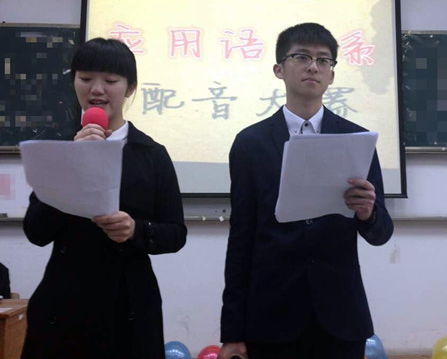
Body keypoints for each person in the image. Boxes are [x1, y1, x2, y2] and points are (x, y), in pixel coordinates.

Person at [218, 23, 393, 359]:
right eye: (302, 57)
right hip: (271, 315)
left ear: (331, 76)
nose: (313, 66)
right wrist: (232, 331)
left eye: (323, 60)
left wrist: (368, 213)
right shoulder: (250, 143)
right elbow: (241, 239)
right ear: (279, 69)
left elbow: (381, 233)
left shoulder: (357, 140)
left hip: (341, 316)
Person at [22, 38, 187, 359]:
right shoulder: (58, 150)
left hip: (129, 306)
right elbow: (36, 231)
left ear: (130, 87)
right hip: (63, 307)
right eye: (85, 78)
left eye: (110, 80)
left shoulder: (151, 154)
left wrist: (135, 230)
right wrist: (74, 160)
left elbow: (175, 233)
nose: (96, 89)